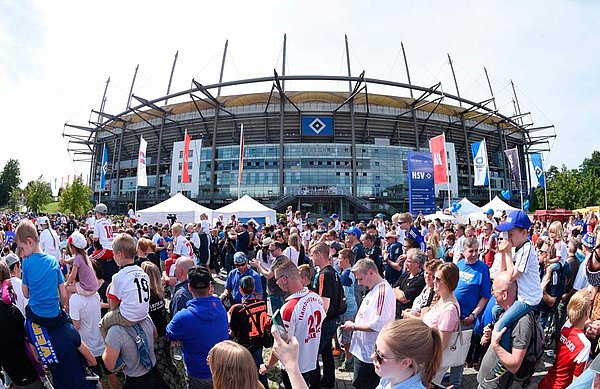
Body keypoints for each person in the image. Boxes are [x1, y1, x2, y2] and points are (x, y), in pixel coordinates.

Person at [260, 258, 325, 389]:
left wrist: (268, 366)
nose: (276, 282)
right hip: (313, 363)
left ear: (284, 279)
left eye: (276, 279)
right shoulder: (316, 297)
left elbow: (281, 345)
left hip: (295, 368)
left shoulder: (288, 309)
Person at [493, 210, 542, 373]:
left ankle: (505, 360)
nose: (508, 238)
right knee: (495, 310)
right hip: (521, 295)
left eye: (511, 234)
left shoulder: (527, 248)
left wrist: (506, 252)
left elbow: (513, 276)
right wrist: (503, 254)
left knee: (501, 324)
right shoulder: (518, 247)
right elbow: (504, 272)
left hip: (528, 299)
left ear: (524, 233)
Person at [167, 266, 229, 389]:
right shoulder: (220, 307)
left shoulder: (183, 317)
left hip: (199, 373)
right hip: (222, 368)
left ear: (189, 287)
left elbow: (170, 333)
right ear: (210, 287)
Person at [340, 258, 396, 389]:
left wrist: (353, 326)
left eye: (360, 279)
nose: (359, 283)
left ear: (371, 272)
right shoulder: (375, 288)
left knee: (364, 384)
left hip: (370, 351)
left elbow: (377, 324)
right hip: (364, 350)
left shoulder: (382, 292)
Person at [477, 271, 538, 388]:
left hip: (496, 385)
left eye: (494, 289)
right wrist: (492, 334)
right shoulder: (505, 311)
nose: (491, 292)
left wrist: (495, 345)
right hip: (487, 382)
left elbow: (515, 365)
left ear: (505, 294)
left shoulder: (522, 322)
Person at [451, 237, 491, 387]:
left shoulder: (482, 268)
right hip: (452, 316)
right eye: (471, 251)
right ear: (463, 251)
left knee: (459, 353)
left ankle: (456, 382)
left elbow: (485, 296)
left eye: (477, 251)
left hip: (467, 318)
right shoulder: (459, 265)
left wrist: (473, 315)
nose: (474, 254)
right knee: (449, 348)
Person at [140, 261, 186, 389]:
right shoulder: (159, 293)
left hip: (154, 338)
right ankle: (180, 383)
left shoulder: (144, 298)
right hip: (164, 333)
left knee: (162, 369)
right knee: (170, 364)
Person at [417, 262, 461, 387]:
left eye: (438, 279)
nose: (433, 280)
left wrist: (427, 367)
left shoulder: (449, 310)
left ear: (448, 282)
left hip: (430, 361)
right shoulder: (441, 298)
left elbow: (441, 345)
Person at [99, 233, 151, 340]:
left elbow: (112, 305)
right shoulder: (143, 272)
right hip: (144, 314)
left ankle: (111, 348)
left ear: (119, 254)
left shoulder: (118, 277)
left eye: (113, 254)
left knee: (102, 325)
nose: (113, 257)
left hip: (128, 317)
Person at [538, 289, 591, 389]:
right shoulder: (584, 345)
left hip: (547, 381)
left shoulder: (566, 326)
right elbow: (577, 381)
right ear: (587, 314)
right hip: (562, 385)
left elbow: (573, 322)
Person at [373, 319, 443, 389]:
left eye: (380, 356)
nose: (373, 356)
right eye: (375, 348)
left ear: (405, 363)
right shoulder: (389, 377)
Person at [311, 242, 344, 388]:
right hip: (333, 318)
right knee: (326, 351)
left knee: (313, 353)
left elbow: (324, 304)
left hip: (326, 321)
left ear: (319, 255)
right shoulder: (333, 272)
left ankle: (315, 382)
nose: (311, 258)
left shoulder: (324, 275)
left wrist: (316, 323)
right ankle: (329, 380)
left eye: (312, 255)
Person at [228, 276, 270, 388]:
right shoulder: (262, 304)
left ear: (240, 289)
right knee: (260, 368)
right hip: (259, 342)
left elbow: (233, 329)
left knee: (243, 372)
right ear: (254, 288)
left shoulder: (237, 309)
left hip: (244, 344)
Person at [337, 248, 359, 372]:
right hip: (352, 306)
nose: (338, 261)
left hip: (347, 309)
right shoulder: (350, 271)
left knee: (346, 337)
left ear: (346, 260)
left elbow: (344, 294)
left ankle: (348, 360)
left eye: (340, 259)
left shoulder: (345, 274)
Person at [392, 248, 426, 319]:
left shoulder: (421, 280)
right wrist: (398, 292)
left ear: (417, 263)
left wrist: (398, 292)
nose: (406, 263)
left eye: (409, 261)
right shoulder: (406, 274)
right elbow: (393, 288)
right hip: (395, 314)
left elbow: (403, 297)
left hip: (406, 318)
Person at [65, 231, 100, 299]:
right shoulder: (83, 255)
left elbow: (72, 276)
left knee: (66, 288)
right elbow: (74, 258)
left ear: (73, 247)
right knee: (74, 283)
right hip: (94, 286)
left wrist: (66, 284)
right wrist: (67, 261)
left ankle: (66, 306)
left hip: (87, 288)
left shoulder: (78, 258)